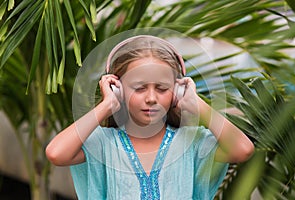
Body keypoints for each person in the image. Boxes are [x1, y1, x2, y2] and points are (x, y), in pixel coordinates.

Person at [46, 35, 254, 199]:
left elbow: (242, 149)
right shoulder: (104, 143)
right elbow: (56, 153)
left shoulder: (192, 143)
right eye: (139, 88)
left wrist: (198, 105)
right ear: (117, 89)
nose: (151, 98)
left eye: (162, 88)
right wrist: (106, 105)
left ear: (177, 91)